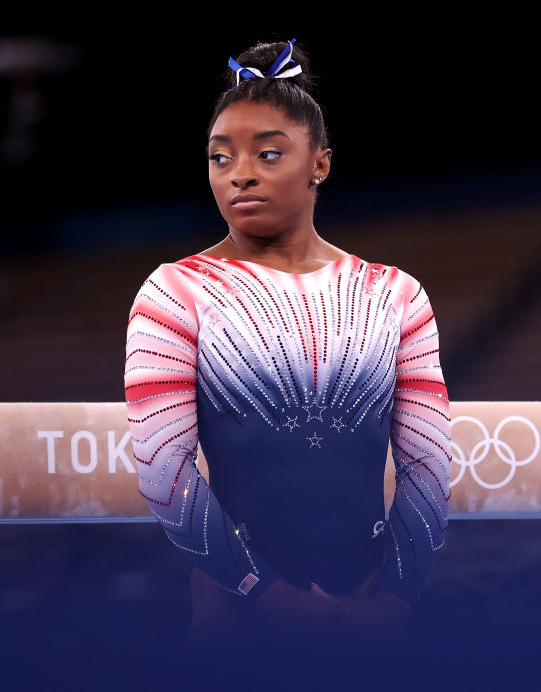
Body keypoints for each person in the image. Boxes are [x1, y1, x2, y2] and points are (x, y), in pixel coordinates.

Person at [124, 38, 451, 670]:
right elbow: (164, 474)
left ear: (319, 164)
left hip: (370, 615)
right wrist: (269, 597)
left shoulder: (396, 295)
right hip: (238, 617)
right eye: (221, 158)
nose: (239, 172)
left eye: (268, 154)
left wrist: (395, 603)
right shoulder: (175, 292)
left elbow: (428, 471)